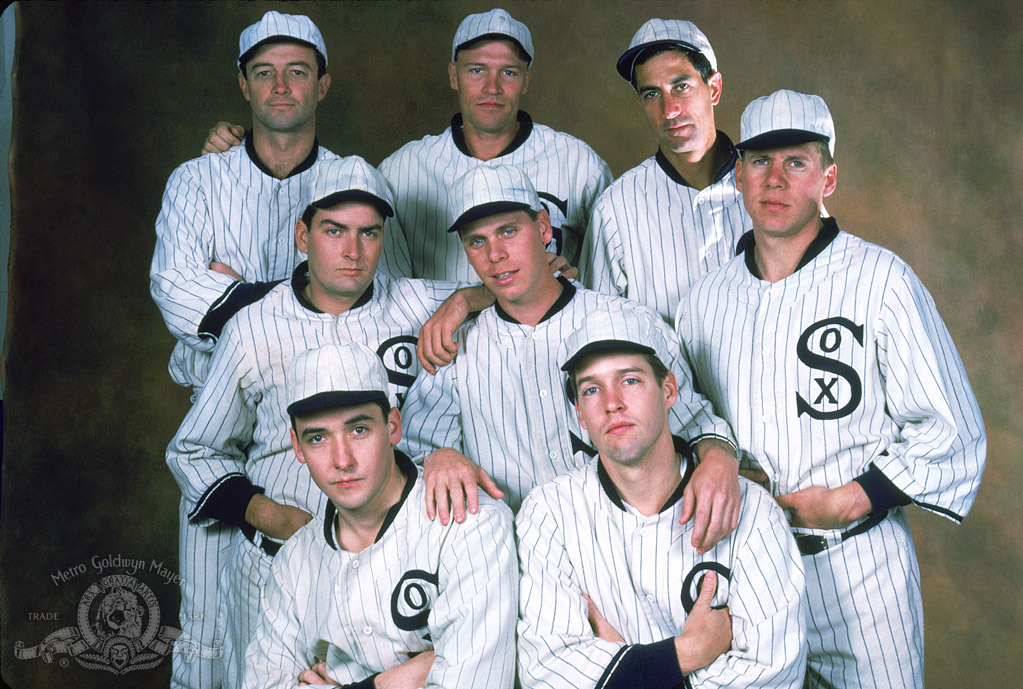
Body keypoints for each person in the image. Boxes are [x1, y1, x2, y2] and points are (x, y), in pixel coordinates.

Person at [675, 89, 986, 688]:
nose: (775, 179)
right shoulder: (702, 303)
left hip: (861, 566)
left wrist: (856, 496)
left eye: (796, 162)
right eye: (760, 161)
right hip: (748, 574)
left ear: (829, 178)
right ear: (737, 175)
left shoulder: (881, 279)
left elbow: (953, 427)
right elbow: (684, 418)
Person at [166, 156, 489, 687]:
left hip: (389, 557)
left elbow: (533, 281)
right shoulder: (254, 327)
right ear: (302, 234)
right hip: (279, 561)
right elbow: (195, 450)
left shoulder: (412, 301)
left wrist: (461, 300)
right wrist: (269, 516)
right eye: (334, 230)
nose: (353, 251)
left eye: (369, 233)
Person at [150, 12, 356, 689]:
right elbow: (174, 289)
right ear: (242, 85)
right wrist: (303, 295)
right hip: (218, 427)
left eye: (297, 71)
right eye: (264, 72)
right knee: (208, 633)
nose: (280, 86)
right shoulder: (196, 179)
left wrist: (236, 290)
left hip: (318, 436)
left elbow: (384, 296)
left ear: (322, 85)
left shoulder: (354, 180)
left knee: (311, 630)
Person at [400, 164, 742, 561]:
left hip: (638, 553)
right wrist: (439, 456)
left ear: (543, 228)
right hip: (523, 567)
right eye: (477, 241)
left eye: (509, 231)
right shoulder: (455, 346)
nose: (495, 255)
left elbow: (695, 421)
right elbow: (412, 446)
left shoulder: (628, 321)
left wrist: (719, 457)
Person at [203, 8, 611, 282]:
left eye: (508, 71)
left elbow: (603, 280)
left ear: (527, 79)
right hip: (434, 362)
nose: (492, 87)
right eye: (476, 70)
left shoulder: (578, 164)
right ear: (453, 75)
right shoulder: (402, 170)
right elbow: (379, 285)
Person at [516, 310, 806, 688]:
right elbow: (547, 674)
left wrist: (630, 670)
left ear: (668, 390)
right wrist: (687, 652)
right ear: (580, 415)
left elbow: (774, 675)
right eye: (591, 389)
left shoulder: (753, 512)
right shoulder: (548, 513)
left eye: (630, 380)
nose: (612, 403)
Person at [243, 343, 516, 689]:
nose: (342, 460)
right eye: (318, 438)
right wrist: (389, 682)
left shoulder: (470, 523)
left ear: (392, 427)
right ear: (297, 447)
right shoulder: (293, 563)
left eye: (359, 430)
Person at [579, 19, 748, 325]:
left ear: (714, 88)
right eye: (652, 94)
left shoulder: (773, 185)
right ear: (639, 102)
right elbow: (598, 329)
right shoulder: (617, 208)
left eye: (681, 86)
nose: (669, 110)